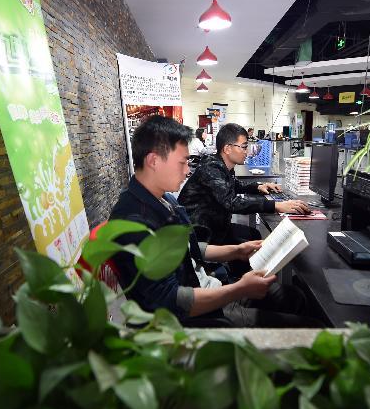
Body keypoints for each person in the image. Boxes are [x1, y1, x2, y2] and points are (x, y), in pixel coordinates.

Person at [109, 116, 317, 327]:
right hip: (201, 315)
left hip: (210, 285)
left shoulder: (163, 199)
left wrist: (236, 250)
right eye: (182, 162)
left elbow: (186, 248)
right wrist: (239, 289)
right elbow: (169, 301)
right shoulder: (134, 221)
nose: (187, 170)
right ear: (154, 161)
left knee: (295, 298)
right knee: (310, 326)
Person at [177, 123, 309, 248]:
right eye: (244, 147)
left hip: (214, 225)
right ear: (227, 149)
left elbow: (234, 184)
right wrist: (276, 205)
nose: (246, 152)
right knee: (251, 240)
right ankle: (238, 271)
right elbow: (231, 202)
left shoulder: (222, 165)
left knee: (254, 235)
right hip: (200, 233)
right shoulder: (211, 167)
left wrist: (258, 186)